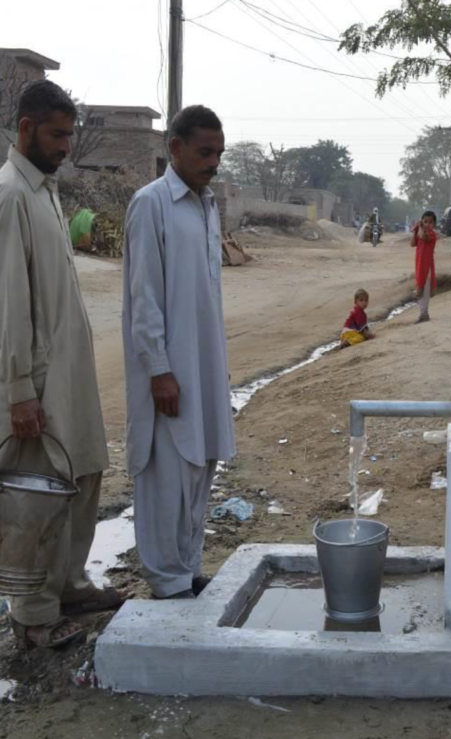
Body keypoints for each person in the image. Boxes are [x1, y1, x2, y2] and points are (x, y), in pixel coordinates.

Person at [0, 80, 123, 648]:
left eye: (70, 135)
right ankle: (32, 617)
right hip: (39, 379)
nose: (66, 145)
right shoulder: (10, 195)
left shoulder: (46, 190)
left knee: (85, 471)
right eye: (57, 134)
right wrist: (19, 389)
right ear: (25, 128)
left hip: (71, 370)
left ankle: (70, 584)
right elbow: (9, 305)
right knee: (38, 491)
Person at [122, 105, 236, 600]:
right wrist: (159, 370)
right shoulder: (151, 204)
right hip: (167, 371)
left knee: (199, 467)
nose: (213, 162)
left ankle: (188, 570)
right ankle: (166, 579)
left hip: (204, 364)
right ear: (175, 148)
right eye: (204, 151)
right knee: (166, 475)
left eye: (219, 153)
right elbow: (143, 296)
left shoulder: (207, 205)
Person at [411, 210, 438, 324]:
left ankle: (424, 314)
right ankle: (423, 313)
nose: (427, 224)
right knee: (420, 288)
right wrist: (415, 230)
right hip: (419, 264)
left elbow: (423, 236)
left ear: (434, 224)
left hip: (427, 266)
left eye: (430, 222)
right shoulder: (420, 231)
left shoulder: (432, 234)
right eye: (425, 222)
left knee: (425, 290)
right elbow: (413, 243)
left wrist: (420, 226)